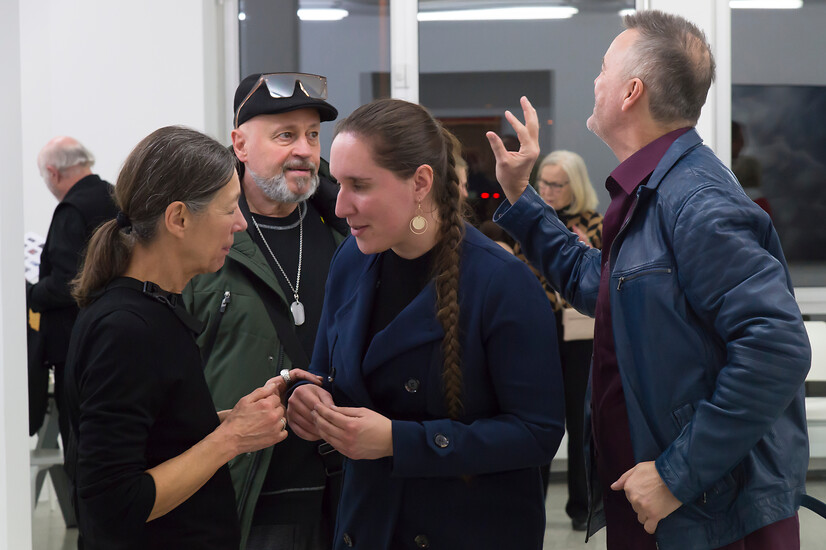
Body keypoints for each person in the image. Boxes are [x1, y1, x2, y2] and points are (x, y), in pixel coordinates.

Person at [489, 10, 810, 550]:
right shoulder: (656, 193)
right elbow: (602, 286)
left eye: (604, 68)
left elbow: (776, 349)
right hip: (667, 505)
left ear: (631, 91)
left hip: (708, 512)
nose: (596, 81)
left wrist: (676, 473)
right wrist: (522, 199)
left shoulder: (697, 200)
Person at [287, 98, 565, 550]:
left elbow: (537, 434)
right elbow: (329, 375)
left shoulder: (502, 283)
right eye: (336, 183)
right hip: (367, 523)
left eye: (359, 185)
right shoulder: (350, 261)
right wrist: (308, 398)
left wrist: (401, 440)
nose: (339, 207)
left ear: (420, 182)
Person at [63, 126, 319, 549]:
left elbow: (155, 442)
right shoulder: (125, 330)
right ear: (179, 218)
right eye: (229, 208)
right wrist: (230, 439)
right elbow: (113, 503)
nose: (240, 225)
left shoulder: (155, 311)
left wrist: (234, 421)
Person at [183, 72, 348, 550]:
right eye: (285, 135)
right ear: (240, 144)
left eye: (313, 135)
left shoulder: (348, 236)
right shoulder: (206, 243)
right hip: (242, 501)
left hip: (342, 496)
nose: (304, 150)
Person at [530, 150, 603, 531]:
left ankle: (581, 507)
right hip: (537, 330)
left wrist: (585, 250)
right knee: (539, 418)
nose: (548, 190)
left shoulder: (595, 223)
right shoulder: (535, 222)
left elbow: (607, 275)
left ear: (573, 186)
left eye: (556, 185)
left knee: (581, 420)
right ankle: (533, 507)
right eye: (543, 183)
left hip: (578, 334)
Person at [27, 137, 117, 439]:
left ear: (53, 173)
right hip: (117, 338)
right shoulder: (116, 197)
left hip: (75, 346)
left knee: (79, 447)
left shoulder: (71, 210)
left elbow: (69, 283)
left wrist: (29, 294)